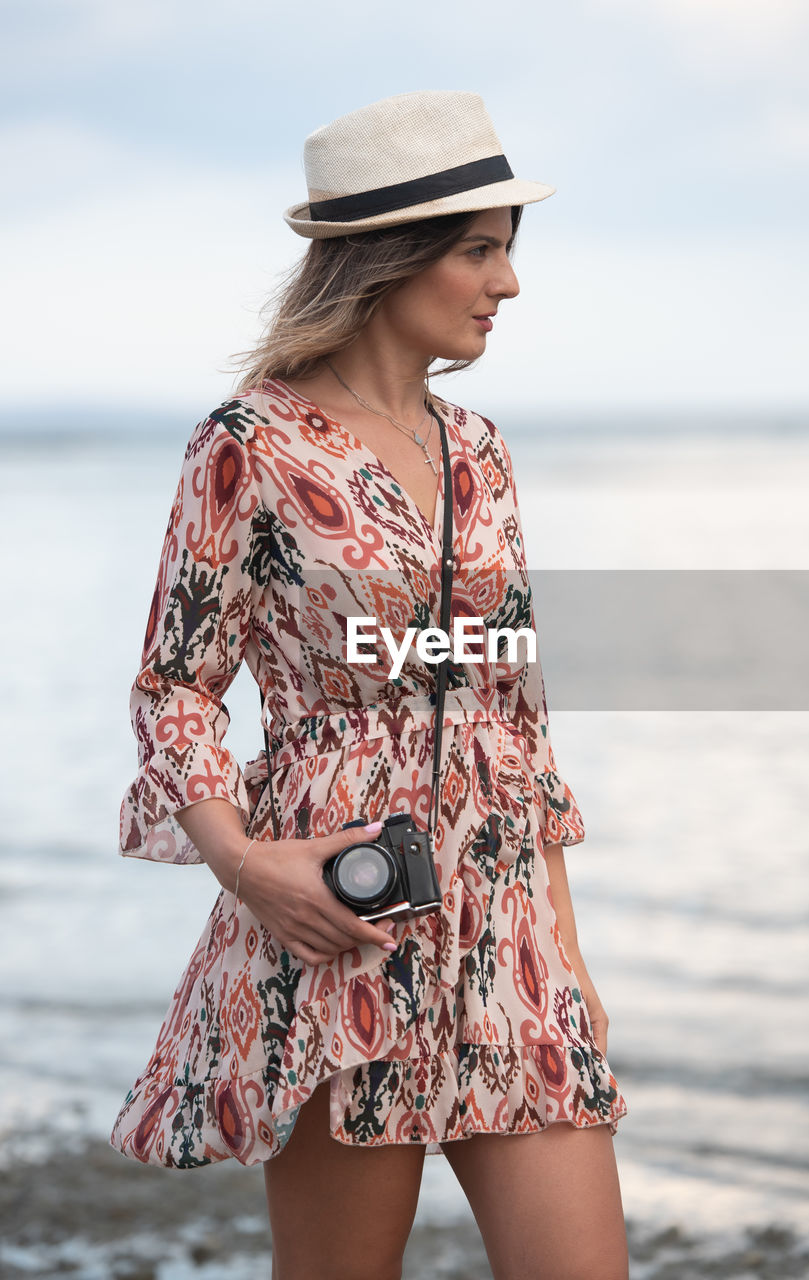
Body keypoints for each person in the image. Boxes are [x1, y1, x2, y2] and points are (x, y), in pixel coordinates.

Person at [110, 90, 629, 1280]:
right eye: (480, 250)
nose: (507, 284)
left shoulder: (482, 448)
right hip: (339, 917)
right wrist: (244, 861)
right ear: (390, 258)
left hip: (509, 931)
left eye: (507, 250)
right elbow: (175, 684)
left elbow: (513, 706)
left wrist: (569, 956)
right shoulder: (250, 443)